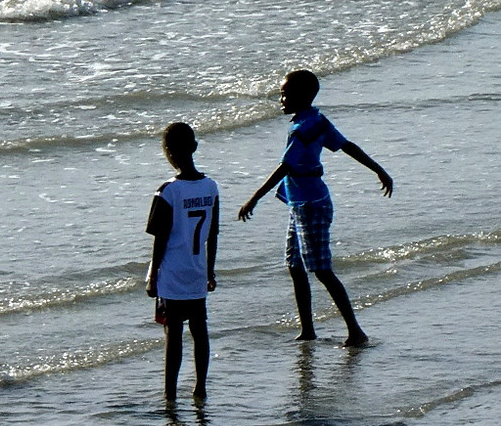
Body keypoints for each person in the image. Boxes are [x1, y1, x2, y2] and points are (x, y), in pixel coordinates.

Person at [237, 70, 393, 347]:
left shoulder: (305, 128)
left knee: (321, 270)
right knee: (295, 266)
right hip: (299, 204)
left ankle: (355, 331)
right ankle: (307, 329)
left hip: (311, 205)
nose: (281, 98)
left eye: (285, 93)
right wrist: (378, 170)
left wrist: (255, 197)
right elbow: (346, 146)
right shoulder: (313, 119)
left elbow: (286, 166)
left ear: (304, 96)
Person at [146, 123, 220, 402]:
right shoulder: (210, 187)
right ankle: (200, 386)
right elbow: (213, 232)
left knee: (173, 333)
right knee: (200, 329)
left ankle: (169, 392)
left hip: (172, 273)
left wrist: (153, 277)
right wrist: (210, 269)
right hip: (197, 270)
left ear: (168, 153)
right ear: (194, 147)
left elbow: (159, 239)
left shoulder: (168, 192)